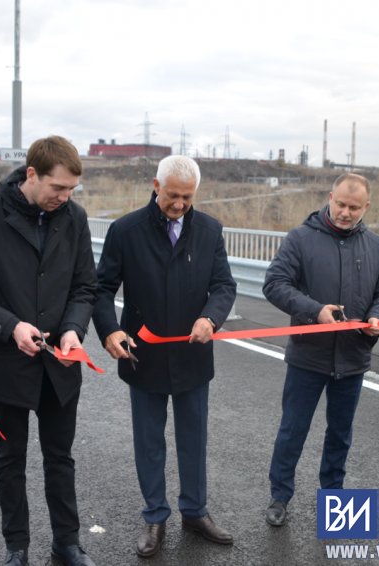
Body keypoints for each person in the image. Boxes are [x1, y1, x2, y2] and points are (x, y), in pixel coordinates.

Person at [0, 136, 97, 566]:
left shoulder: (75, 218)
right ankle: (17, 548)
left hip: (60, 365)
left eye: (72, 190)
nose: (64, 198)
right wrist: (10, 326)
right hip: (6, 364)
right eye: (58, 188)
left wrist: (73, 329)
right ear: (31, 175)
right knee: (10, 458)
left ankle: (66, 543)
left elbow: (85, 286)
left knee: (60, 458)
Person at [92, 155, 237, 558]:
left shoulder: (209, 230)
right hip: (143, 354)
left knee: (194, 440)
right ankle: (155, 516)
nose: (179, 204)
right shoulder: (126, 231)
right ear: (156, 185)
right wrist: (109, 330)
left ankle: (195, 511)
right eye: (172, 195)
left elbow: (224, 285)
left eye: (187, 197)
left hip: (193, 354)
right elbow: (101, 289)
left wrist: (211, 317)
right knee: (149, 442)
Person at [262, 172, 379, 527]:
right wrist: (314, 310)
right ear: (330, 197)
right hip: (309, 354)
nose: (345, 212)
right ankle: (280, 495)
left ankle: (334, 496)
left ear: (366, 207)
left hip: (353, 358)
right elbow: (274, 284)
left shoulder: (376, 246)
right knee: (293, 429)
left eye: (354, 207)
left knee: (340, 432)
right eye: (340, 204)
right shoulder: (301, 239)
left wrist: (377, 315)